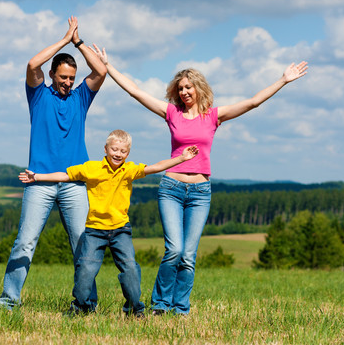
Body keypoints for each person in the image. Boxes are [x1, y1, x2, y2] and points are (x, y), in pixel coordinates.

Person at [91, 44, 308, 315]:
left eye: (188, 87)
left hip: (200, 192)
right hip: (171, 188)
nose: (184, 92)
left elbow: (253, 102)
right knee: (174, 250)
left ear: (198, 88)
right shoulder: (172, 114)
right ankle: (160, 304)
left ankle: (180, 308)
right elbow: (135, 91)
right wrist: (108, 66)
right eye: (180, 88)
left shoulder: (213, 117)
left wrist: (283, 80)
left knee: (189, 256)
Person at [18, 130, 199, 316]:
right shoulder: (92, 168)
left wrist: (182, 158)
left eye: (123, 151)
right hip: (95, 230)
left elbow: (155, 167)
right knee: (86, 269)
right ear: (105, 149)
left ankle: (134, 307)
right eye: (114, 149)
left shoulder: (128, 170)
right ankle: (81, 306)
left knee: (130, 268)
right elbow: (65, 175)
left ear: (127, 154)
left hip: (121, 230)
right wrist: (37, 177)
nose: (118, 154)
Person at [0, 16, 107, 309]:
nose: (68, 83)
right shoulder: (38, 95)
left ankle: (86, 304)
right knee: (25, 243)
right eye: (63, 77)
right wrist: (64, 38)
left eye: (72, 78)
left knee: (82, 247)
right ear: (52, 74)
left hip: (74, 184)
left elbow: (101, 70)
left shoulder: (81, 97)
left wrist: (78, 42)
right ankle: (9, 300)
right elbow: (32, 65)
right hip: (38, 182)